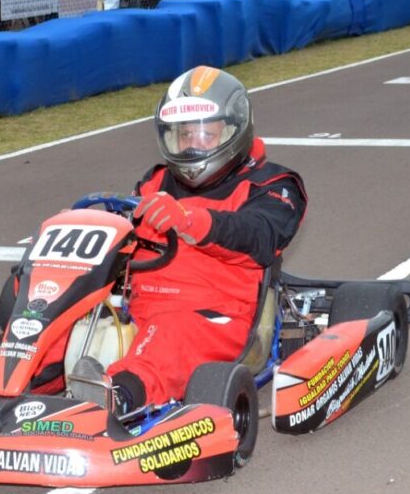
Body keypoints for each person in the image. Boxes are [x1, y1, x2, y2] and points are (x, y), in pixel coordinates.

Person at [71, 65, 307, 412]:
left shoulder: (273, 185)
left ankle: (115, 399)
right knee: (61, 306)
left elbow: (260, 236)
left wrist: (193, 221)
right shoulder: (155, 183)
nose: (192, 146)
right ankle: (3, 379)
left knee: (169, 336)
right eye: (184, 135)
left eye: (205, 136)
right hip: (138, 306)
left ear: (232, 132)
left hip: (212, 315)